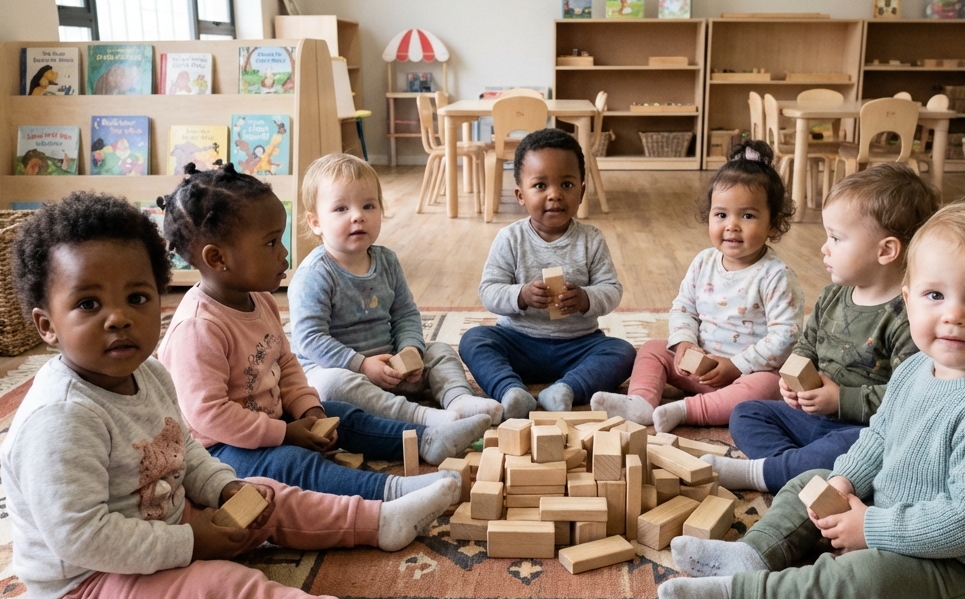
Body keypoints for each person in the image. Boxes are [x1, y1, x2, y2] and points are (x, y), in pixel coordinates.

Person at [2, 192, 453, 599]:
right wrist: (193, 543)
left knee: (265, 493)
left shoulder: (150, 373)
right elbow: (84, 539)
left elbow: (187, 452)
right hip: (90, 585)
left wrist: (223, 489)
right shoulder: (59, 419)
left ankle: (381, 521)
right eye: (88, 303)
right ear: (47, 325)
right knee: (218, 589)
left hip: (165, 522)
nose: (118, 318)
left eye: (137, 298)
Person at [658, 199, 965, 599]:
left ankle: (737, 596)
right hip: (896, 514)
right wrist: (844, 481)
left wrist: (871, 528)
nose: (953, 315)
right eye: (935, 295)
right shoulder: (914, 368)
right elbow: (879, 439)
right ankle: (753, 554)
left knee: (865, 579)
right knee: (811, 483)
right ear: (908, 301)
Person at [155, 163, 488, 499]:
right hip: (220, 451)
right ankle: (389, 492)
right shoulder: (198, 328)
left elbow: (285, 364)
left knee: (342, 416)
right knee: (292, 463)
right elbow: (210, 416)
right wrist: (284, 433)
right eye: (271, 244)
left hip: (273, 420)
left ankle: (426, 439)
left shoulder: (260, 301)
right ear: (217, 258)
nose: (285, 253)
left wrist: (307, 408)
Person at [711, 164, 940, 492]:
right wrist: (792, 378)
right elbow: (806, 345)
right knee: (746, 414)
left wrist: (840, 400)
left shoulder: (909, 317)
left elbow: (907, 399)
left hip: (863, 431)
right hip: (813, 417)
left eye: (836, 238)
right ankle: (794, 470)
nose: (824, 247)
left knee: (862, 451)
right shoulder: (833, 295)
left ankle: (774, 473)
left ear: (886, 250)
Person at [592, 140, 804, 435]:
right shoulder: (704, 262)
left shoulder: (776, 275)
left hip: (744, 377)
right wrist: (683, 344)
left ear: (773, 224)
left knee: (770, 386)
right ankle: (641, 401)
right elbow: (683, 308)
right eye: (721, 215)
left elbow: (786, 337)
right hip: (697, 367)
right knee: (653, 349)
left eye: (748, 216)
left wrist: (737, 365)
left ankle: (686, 411)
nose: (732, 225)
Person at [288, 153, 504, 427]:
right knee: (329, 386)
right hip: (345, 371)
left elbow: (405, 314)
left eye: (368, 206)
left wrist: (410, 350)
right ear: (315, 222)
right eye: (341, 209)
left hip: (394, 366)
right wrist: (362, 366)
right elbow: (310, 338)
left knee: (439, 351)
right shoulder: (315, 274)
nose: (358, 216)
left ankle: (458, 399)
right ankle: (421, 417)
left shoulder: (387, 261)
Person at [458, 128, 637, 418]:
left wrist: (586, 298)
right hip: (518, 341)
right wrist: (521, 295)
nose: (554, 195)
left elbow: (611, 289)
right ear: (520, 195)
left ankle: (566, 390)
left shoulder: (591, 239)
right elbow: (489, 290)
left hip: (578, 346)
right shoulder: (510, 238)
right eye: (540, 186)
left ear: (582, 189)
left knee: (623, 352)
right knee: (474, 340)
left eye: (566, 184)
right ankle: (510, 391)